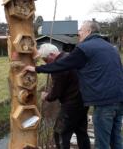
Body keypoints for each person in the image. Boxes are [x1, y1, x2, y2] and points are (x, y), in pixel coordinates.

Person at [24, 21, 123, 149]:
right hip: (119, 99)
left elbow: (62, 65)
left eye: (81, 30)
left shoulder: (84, 48)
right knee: (115, 138)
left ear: (88, 31)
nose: (78, 33)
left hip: (103, 102)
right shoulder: (110, 48)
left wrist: (37, 69)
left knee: (101, 141)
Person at [37, 43, 90, 149]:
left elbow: (56, 92)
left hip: (71, 104)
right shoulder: (69, 57)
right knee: (81, 132)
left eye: (46, 60)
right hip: (83, 101)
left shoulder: (59, 66)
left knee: (60, 133)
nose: (46, 63)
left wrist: (46, 96)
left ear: (52, 54)